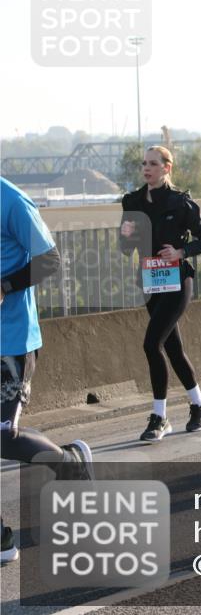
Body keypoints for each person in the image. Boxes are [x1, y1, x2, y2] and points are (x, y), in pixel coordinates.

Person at [1, 176, 93, 564]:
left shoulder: (12, 201)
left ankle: (69, 465)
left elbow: (50, 259)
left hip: (12, 342)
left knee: (3, 434)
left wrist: (4, 285)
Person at [119, 146, 201, 442]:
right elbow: (125, 249)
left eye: (153, 164)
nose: (146, 168)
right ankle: (199, 404)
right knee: (171, 348)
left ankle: (159, 417)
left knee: (151, 344)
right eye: (144, 164)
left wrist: (180, 252)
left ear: (167, 168)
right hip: (150, 282)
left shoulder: (181, 203)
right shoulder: (132, 201)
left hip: (177, 282)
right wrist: (125, 235)